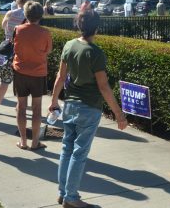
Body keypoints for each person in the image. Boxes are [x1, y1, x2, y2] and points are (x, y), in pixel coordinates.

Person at [49, 10, 128, 208]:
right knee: (79, 153)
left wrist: (53, 101)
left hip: (70, 105)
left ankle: (63, 192)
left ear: (79, 25)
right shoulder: (95, 53)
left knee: (67, 149)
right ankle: (71, 197)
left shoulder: (69, 45)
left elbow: (60, 77)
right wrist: (119, 115)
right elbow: (103, 86)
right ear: (97, 28)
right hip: (89, 108)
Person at [13, 1, 52, 150]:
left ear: (25, 14)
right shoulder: (45, 33)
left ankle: (23, 141)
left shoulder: (18, 29)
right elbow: (48, 51)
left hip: (20, 71)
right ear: (40, 15)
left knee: (21, 106)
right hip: (38, 73)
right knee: (37, 108)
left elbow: (14, 47)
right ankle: (35, 142)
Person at [0, 0, 31, 114]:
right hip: (20, 51)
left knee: (4, 80)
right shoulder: (28, 16)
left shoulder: (10, 13)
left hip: (7, 50)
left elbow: (3, 26)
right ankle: (21, 108)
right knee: (21, 82)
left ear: (17, 2)